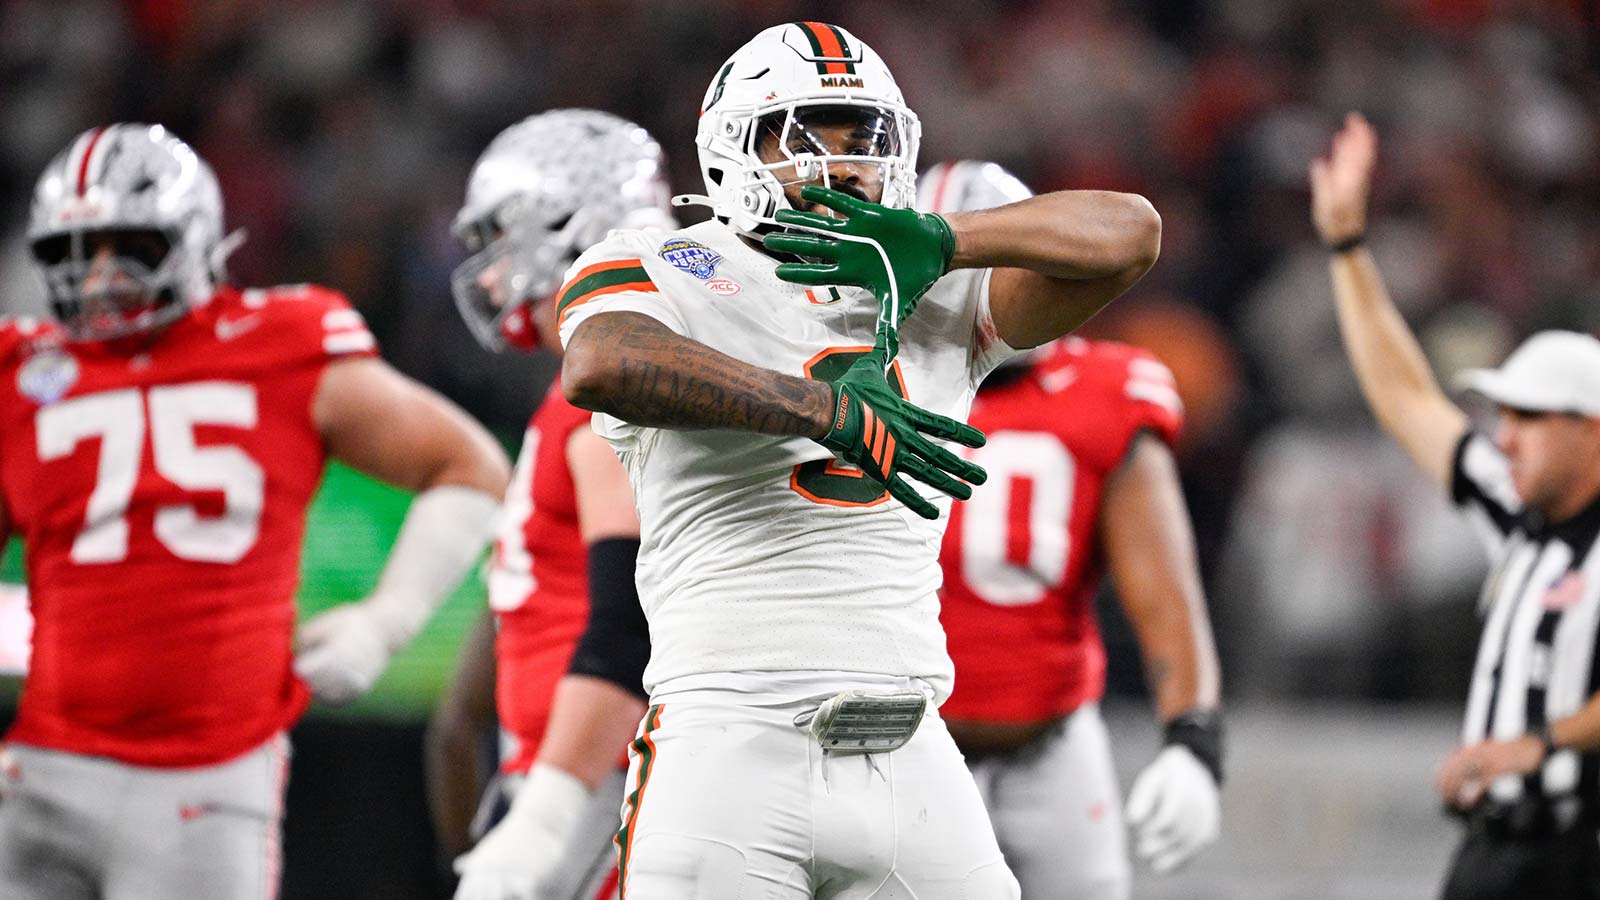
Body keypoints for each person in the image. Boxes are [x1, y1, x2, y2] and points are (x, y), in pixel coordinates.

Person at [556, 22, 1161, 898]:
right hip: (729, 741)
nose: (841, 167)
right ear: (732, 146)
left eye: (864, 140)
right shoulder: (665, 260)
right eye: (804, 135)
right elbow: (603, 363)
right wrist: (823, 410)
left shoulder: (932, 288)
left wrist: (943, 239)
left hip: (911, 743)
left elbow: (1130, 233)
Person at [0, 123, 510, 900]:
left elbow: (468, 463)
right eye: (77, 250)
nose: (100, 273)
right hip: (41, 769)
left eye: (129, 243)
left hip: (204, 780)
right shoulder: (24, 370)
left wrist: (388, 619)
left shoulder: (281, 341)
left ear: (195, 237)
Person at [1312, 112, 1600, 900]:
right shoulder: (1521, 518)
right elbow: (1407, 398)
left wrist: (1538, 744)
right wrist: (1345, 249)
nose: (1505, 439)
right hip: (1492, 853)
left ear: (1591, 428)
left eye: (1530, 418)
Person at [921, 160, 1224, 900]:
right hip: (903, 753)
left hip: (1051, 746)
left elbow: (1164, 588)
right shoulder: (858, 383)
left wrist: (1195, 736)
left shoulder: (1107, 391)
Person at [421, 109, 671, 900]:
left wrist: (548, 812)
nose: (491, 276)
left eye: (502, 239)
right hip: (575, 770)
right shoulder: (580, 389)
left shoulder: (612, 390)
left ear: (573, 225)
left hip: (604, 777)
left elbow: (627, 627)